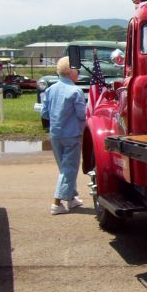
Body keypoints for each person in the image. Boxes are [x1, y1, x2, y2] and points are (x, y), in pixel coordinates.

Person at [41, 56, 86, 215]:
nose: (78, 73)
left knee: (64, 167)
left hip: (55, 134)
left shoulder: (50, 89)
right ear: (70, 72)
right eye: (77, 70)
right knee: (69, 169)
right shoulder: (76, 91)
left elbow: (45, 113)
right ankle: (57, 202)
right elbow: (82, 115)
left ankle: (71, 198)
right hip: (72, 134)